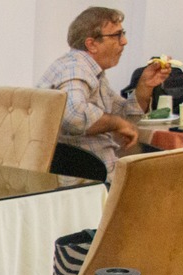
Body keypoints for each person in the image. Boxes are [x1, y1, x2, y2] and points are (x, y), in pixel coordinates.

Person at [37, 7, 171, 176]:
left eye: (123, 33)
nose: (124, 41)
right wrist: (117, 124)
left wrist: (145, 85)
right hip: (89, 175)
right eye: (117, 35)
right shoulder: (75, 68)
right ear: (92, 44)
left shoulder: (93, 73)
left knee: (170, 167)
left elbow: (126, 117)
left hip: (104, 165)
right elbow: (74, 115)